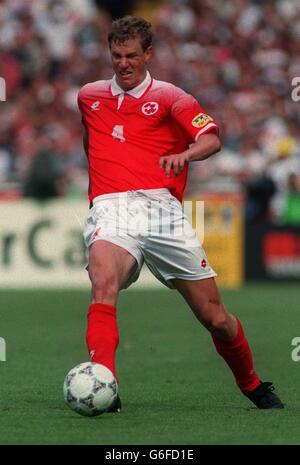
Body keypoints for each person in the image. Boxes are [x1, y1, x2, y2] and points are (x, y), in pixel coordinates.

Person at [77, 16, 284, 411]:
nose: (123, 63)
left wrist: (185, 154)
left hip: (162, 210)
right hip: (112, 207)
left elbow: (211, 139)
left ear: (148, 54)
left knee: (216, 318)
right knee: (103, 282)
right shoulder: (89, 95)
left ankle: (253, 384)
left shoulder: (172, 96)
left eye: (131, 56)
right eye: (116, 55)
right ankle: (105, 383)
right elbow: (93, 141)